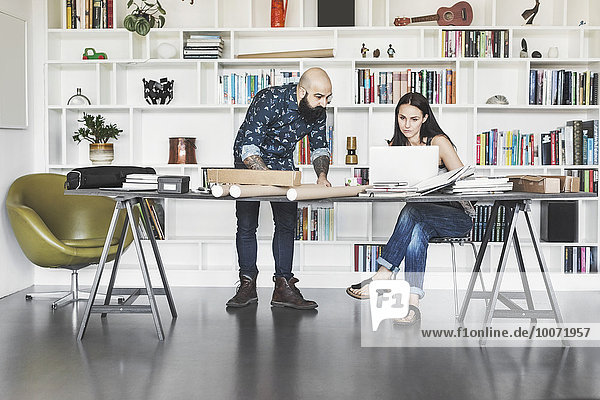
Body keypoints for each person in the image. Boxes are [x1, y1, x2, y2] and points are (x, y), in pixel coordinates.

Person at [346, 92, 474, 325]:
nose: (407, 125)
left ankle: (383, 274)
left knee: (412, 210)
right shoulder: (396, 146)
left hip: (456, 217)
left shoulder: (438, 142)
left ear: (425, 118)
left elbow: (463, 182)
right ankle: (413, 303)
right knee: (416, 232)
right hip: (424, 219)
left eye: (414, 119)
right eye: (402, 118)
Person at [226, 67, 333, 310]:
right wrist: (266, 180)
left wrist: (322, 176)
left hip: (284, 164)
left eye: (328, 97)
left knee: (286, 224)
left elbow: (319, 147)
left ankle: (283, 287)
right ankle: (247, 285)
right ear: (302, 91)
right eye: (319, 97)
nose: (324, 103)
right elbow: (249, 147)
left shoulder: (317, 111)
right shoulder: (269, 99)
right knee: (246, 224)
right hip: (248, 161)